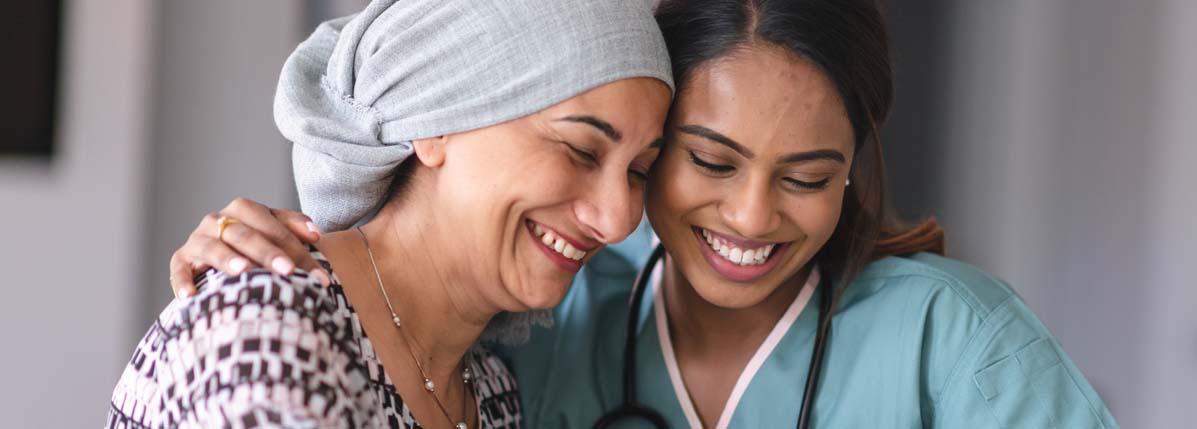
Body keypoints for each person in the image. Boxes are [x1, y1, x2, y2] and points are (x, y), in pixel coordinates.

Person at [163, 0, 1119, 427]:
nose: (751, 213)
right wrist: (263, 279)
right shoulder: (540, 331)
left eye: (808, 175)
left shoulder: (956, 342)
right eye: (704, 158)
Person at [105, 0, 672, 427]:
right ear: (435, 121)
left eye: (639, 171)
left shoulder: (490, 389)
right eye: (580, 150)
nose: (618, 216)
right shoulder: (267, 333)